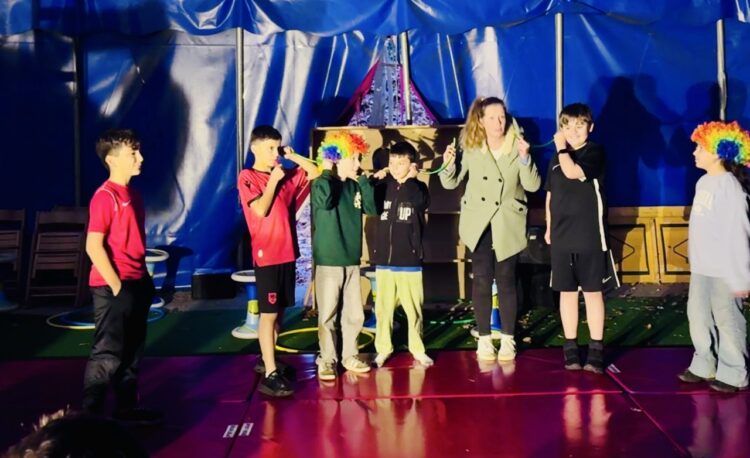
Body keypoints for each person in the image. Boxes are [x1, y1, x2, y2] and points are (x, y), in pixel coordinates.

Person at [440, 97, 541, 362]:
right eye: (493, 118)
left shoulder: (518, 144)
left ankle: (508, 338)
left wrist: (525, 159)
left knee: (506, 279)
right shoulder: (471, 147)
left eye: (502, 116)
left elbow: (532, 186)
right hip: (479, 221)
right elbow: (451, 183)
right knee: (482, 279)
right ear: (481, 121)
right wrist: (448, 164)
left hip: (508, 220)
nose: (499, 122)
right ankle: (484, 339)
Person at [83, 129, 162, 425]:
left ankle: (126, 408)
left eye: (138, 151)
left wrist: (141, 281)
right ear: (112, 160)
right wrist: (117, 286)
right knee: (108, 353)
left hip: (137, 280)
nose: (140, 158)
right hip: (112, 285)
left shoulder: (134, 195)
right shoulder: (105, 197)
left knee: (132, 350)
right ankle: (89, 420)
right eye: (133, 153)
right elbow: (93, 245)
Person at [238, 125, 320, 396]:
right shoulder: (247, 176)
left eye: (277, 147)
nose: (275, 153)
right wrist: (273, 179)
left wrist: (292, 155)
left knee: (280, 312)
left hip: (288, 252)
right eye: (270, 148)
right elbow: (260, 210)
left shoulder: (285, 175)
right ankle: (270, 374)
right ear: (255, 149)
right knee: (269, 313)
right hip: (267, 255)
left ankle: (268, 358)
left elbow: (315, 171)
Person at [544, 103, 618, 374]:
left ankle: (596, 349)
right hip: (562, 237)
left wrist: (562, 148)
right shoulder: (555, 159)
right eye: (567, 126)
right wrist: (549, 227)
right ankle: (571, 347)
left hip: (589, 236)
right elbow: (550, 194)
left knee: (592, 292)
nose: (573, 131)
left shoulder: (594, 152)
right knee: (567, 293)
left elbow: (573, 172)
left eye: (579, 125)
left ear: (590, 127)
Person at [678, 120, 750, 393]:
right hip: (702, 267)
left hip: (724, 269)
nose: (694, 152)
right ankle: (704, 363)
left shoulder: (730, 187)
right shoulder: (703, 182)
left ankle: (734, 372)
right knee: (698, 315)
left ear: (719, 152)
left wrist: (740, 275)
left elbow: (739, 232)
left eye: (700, 147)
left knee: (727, 319)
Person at [312, 131, 377, 380]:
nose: (359, 163)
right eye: (354, 158)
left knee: (354, 313)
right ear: (337, 159)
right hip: (329, 260)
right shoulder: (323, 183)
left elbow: (372, 208)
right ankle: (327, 359)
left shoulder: (355, 184)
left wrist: (363, 181)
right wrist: (327, 170)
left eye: (360, 158)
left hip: (351, 259)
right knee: (327, 313)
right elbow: (324, 201)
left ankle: (350, 354)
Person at [371, 141, 433, 368]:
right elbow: (368, 200)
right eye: (392, 162)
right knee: (383, 309)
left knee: (413, 310)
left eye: (401, 163)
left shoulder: (418, 187)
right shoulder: (383, 187)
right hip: (385, 262)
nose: (396, 168)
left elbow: (420, 202)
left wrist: (411, 180)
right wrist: (375, 178)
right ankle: (383, 348)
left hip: (409, 261)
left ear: (411, 165)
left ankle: (417, 349)